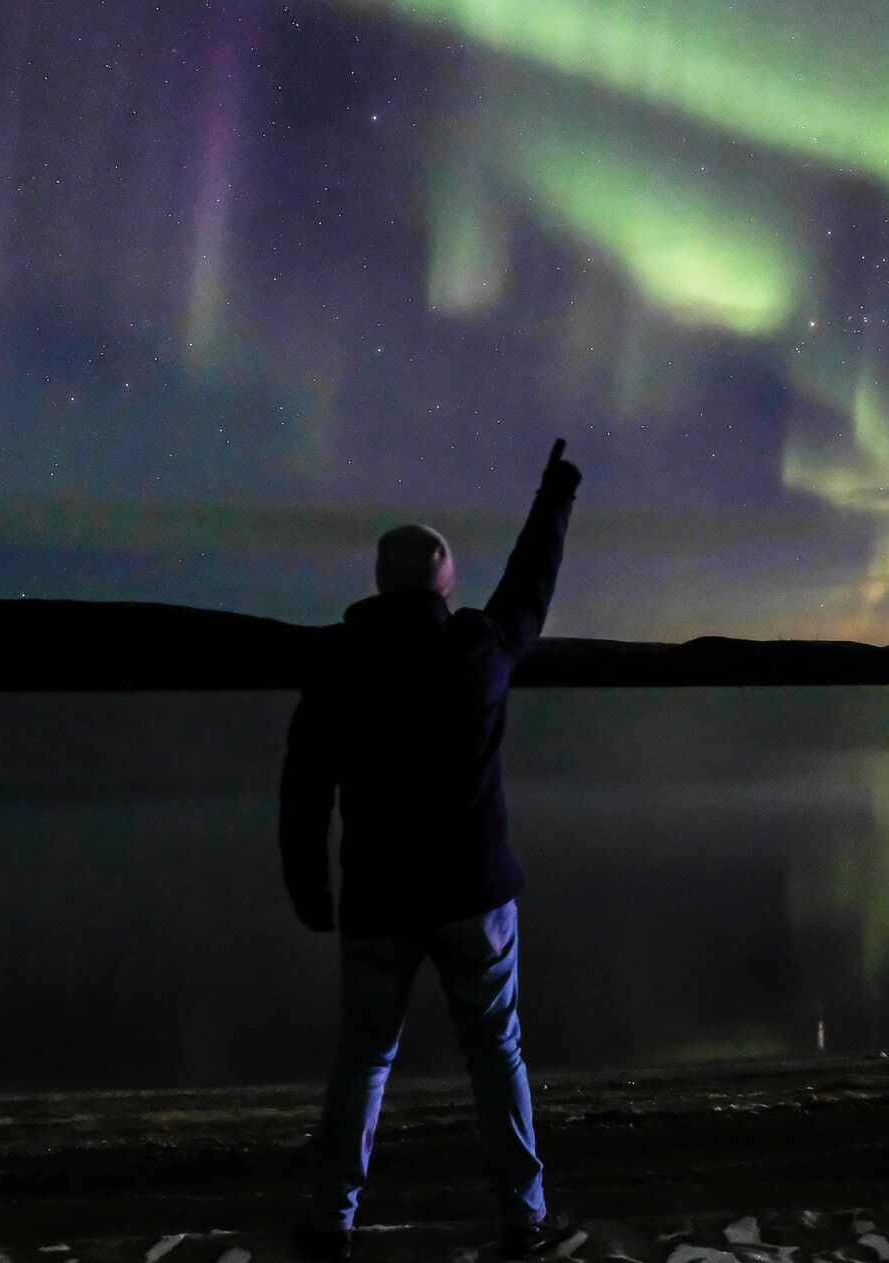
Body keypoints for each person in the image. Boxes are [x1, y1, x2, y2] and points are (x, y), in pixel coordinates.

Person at [281, 439, 586, 1262]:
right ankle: (525, 1219)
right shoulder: (479, 651)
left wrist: (309, 888)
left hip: (378, 902)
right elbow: (532, 583)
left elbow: (303, 788)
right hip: (473, 899)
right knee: (496, 1052)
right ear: (444, 576)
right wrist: (556, 489)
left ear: (382, 582)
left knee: (364, 1058)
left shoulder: (337, 673)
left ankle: (329, 1221)